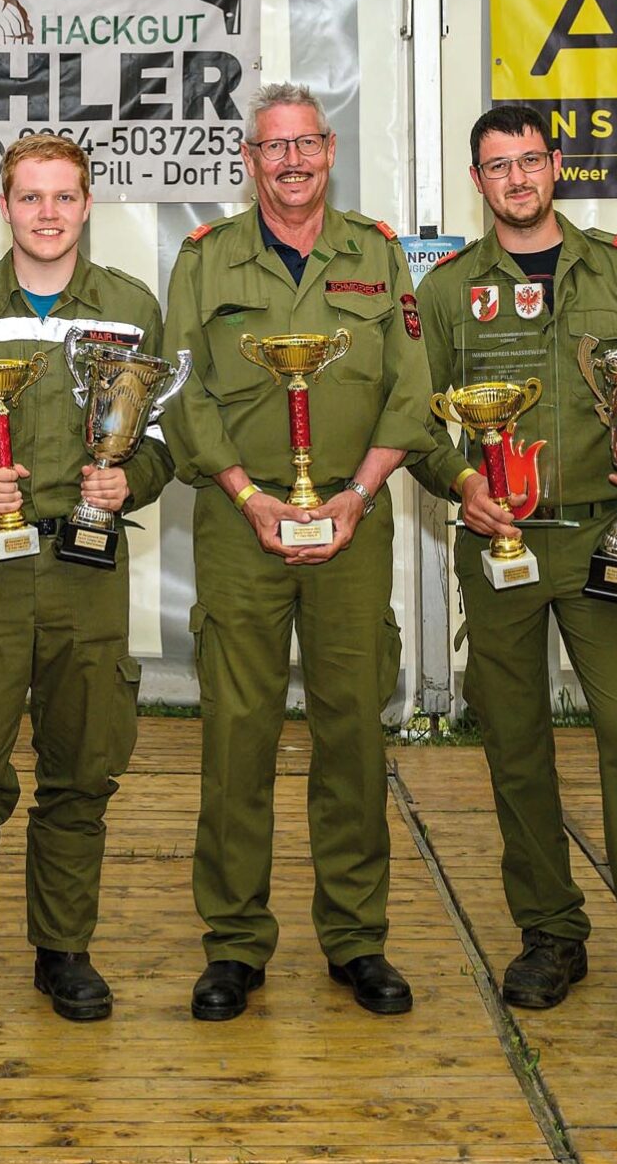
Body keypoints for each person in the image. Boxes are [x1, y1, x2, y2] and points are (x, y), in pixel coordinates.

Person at [410, 104, 617, 1056]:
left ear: (557, 166)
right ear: (478, 180)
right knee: (516, 745)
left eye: (530, 160)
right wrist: (461, 482)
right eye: (497, 166)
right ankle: (551, 932)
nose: (516, 179)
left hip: (602, 540)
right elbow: (415, 420)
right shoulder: (449, 290)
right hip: (502, 547)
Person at [162, 82, 437, 1022]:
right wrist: (248, 495)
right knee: (237, 735)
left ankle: (356, 936)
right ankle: (235, 942)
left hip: (353, 522)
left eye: (305, 144)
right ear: (249, 161)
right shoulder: (205, 258)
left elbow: (411, 389)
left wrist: (357, 494)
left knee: (352, 731)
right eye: (272, 147)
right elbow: (183, 393)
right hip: (239, 523)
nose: (291, 161)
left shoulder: (378, 253)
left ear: (329, 152)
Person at [0, 134, 173, 1026]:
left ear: (88, 204)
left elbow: (164, 439)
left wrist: (133, 480)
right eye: (30, 197)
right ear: (4, 206)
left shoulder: (131, 309)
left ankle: (64, 949)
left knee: (81, 768)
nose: (47, 213)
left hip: (88, 566)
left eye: (63, 197)